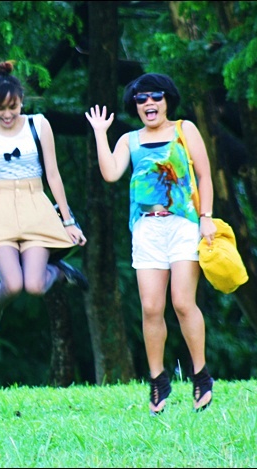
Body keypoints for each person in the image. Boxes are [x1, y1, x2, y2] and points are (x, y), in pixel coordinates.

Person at [84, 73, 217, 414]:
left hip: (183, 224)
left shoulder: (185, 130)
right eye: (141, 99)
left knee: (183, 302)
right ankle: (158, 380)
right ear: (135, 106)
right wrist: (100, 133)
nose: (149, 103)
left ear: (167, 99)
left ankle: (201, 374)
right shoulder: (129, 140)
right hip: (147, 228)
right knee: (151, 307)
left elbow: (204, 175)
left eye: (155, 96)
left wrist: (206, 217)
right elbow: (110, 173)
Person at [0, 61, 88, 350]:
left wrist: (68, 222)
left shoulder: (39, 124)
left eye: (13, 107)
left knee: (34, 286)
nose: (7, 114)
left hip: (36, 206)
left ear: (21, 102)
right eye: (0, 108)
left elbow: (53, 175)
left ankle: (59, 272)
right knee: (12, 284)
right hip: (0, 209)